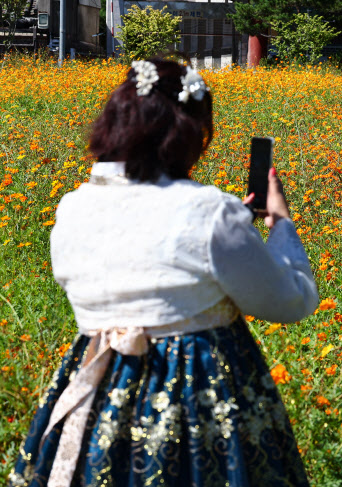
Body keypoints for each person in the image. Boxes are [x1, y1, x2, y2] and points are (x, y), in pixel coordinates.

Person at [9, 57, 318, 487]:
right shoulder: (211, 213)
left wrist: (227, 227)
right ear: (189, 134)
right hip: (197, 401)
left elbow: (145, 247)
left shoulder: (71, 208)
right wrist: (280, 225)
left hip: (96, 393)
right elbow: (291, 301)